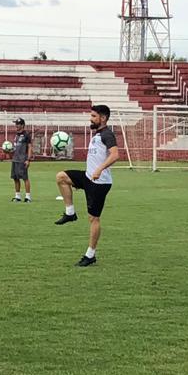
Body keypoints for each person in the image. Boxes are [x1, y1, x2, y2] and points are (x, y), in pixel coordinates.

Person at [54, 105, 119, 267]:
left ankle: (90, 255)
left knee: (93, 218)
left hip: (99, 183)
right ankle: (70, 213)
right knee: (61, 177)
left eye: (94, 116)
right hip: (88, 177)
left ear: (103, 118)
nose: (91, 119)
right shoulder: (97, 134)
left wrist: (99, 169)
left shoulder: (107, 134)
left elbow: (116, 155)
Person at [10, 117, 33, 202]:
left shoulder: (26, 135)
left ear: (22, 125)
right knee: (15, 178)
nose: (16, 125)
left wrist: (28, 159)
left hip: (22, 160)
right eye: (15, 124)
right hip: (15, 159)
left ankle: (28, 197)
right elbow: (15, 147)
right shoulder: (16, 135)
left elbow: (30, 147)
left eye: (18, 124)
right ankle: (17, 196)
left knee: (25, 178)